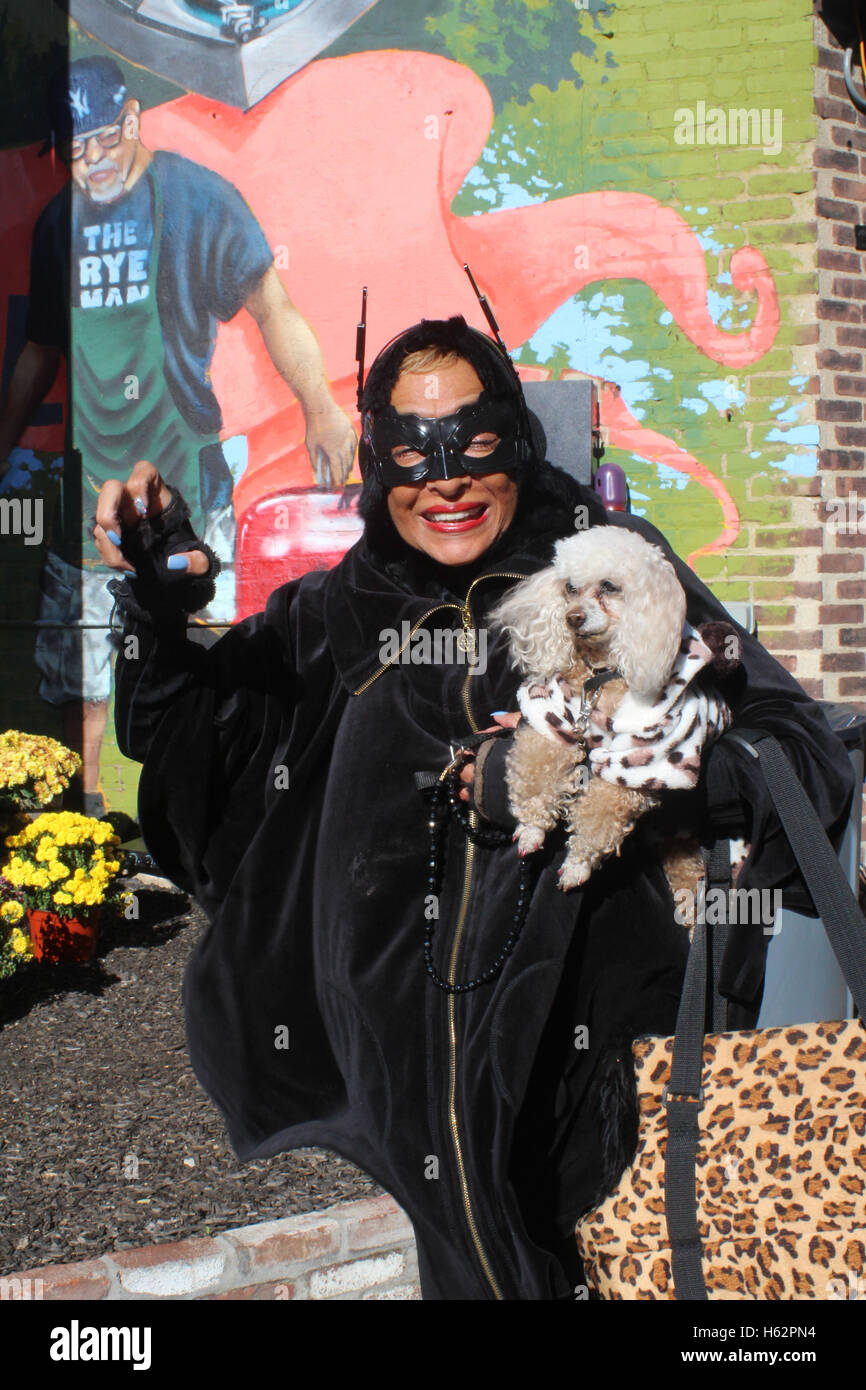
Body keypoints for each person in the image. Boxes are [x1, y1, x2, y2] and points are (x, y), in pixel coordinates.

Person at [96, 316, 853, 1300]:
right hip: (415, 1094)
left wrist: (600, 775)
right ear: (378, 464)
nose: (444, 482)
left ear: (518, 440)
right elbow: (188, 738)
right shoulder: (342, 610)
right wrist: (158, 612)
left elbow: (791, 746)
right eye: (413, 455)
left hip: (596, 1079)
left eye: (474, 444)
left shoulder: (613, 577)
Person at [0, 55, 355, 811]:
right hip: (92, 494)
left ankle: (218, 816)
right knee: (85, 670)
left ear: (131, 120)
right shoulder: (60, 226)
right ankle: (90, 826)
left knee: (205, 650)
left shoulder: (196, 198)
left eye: (99, 140)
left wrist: (321, 408)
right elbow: (40, 350)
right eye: (72, 148)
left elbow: (273, 305)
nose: (87, 161)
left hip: (186, 485)